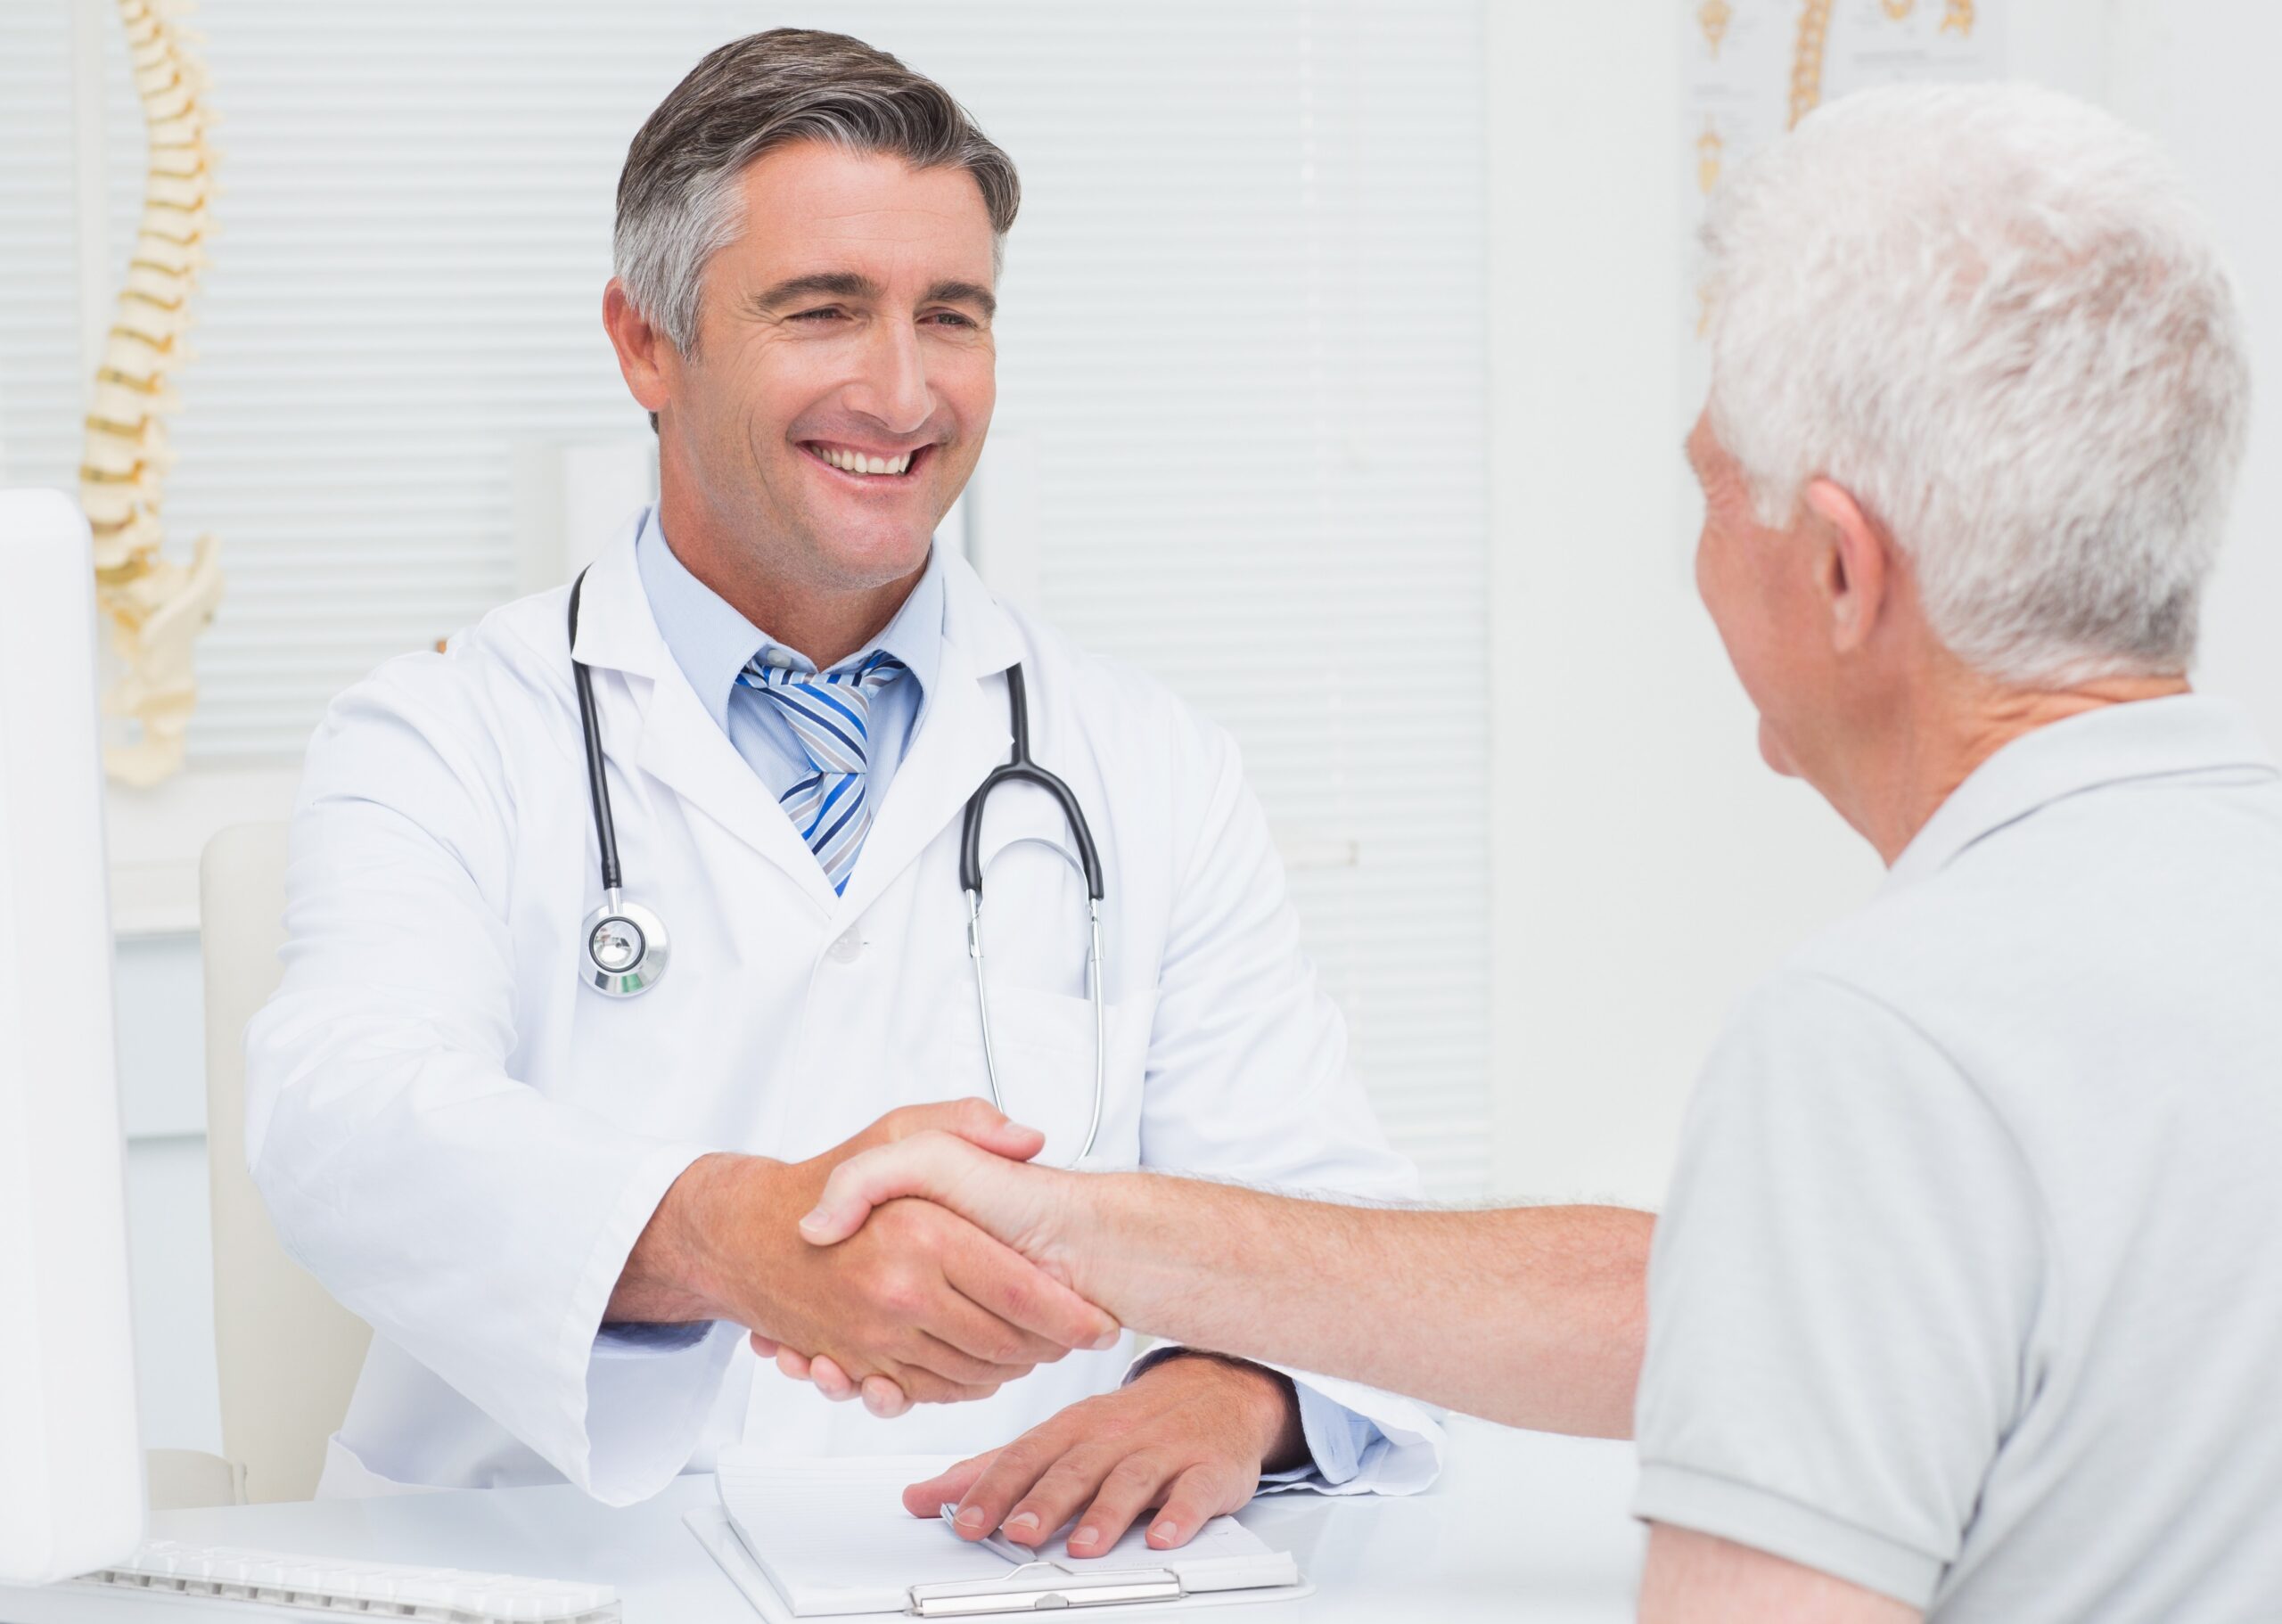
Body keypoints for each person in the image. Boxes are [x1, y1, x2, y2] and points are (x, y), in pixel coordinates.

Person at [782, 84, 2282, 1620]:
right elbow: (1722, 1304)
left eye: (1713, 491)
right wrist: (1087, 1230)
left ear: (1842, 570)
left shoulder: (1884, 1041)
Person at [243, 27, 1460, 1515]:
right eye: (823, 311)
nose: (901, 391)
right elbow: (345, 1118)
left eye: (952, 317)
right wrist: (729, 1234)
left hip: (1014, 1571)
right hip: (550, 1564)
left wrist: (1226, 1388)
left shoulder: (1148, 766)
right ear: (646, 342)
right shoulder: (443, 735)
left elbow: (1322, 1216)